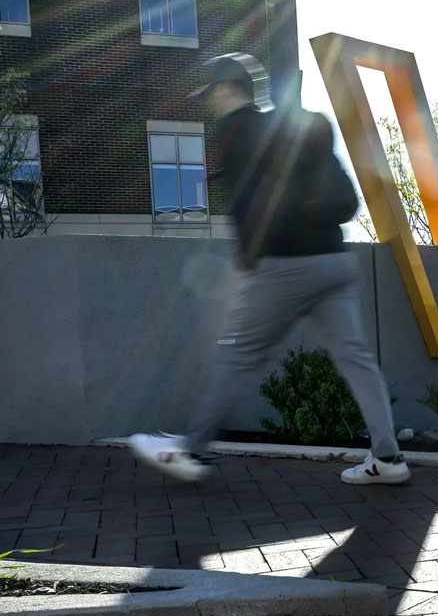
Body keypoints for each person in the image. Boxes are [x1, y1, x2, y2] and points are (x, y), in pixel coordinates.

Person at [129, 53, 410, 485]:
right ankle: (388, 459)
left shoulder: (239, 130)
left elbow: (247, 205)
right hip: (334, 263)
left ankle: (191, 451)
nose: (211, 102)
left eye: (213, 93)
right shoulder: (294, 129)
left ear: (229, 89)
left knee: (239, 354)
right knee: (356, 359)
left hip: (282, 265)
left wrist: (247, 263)